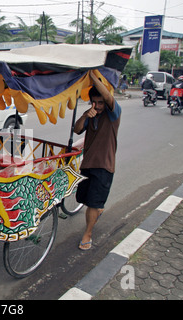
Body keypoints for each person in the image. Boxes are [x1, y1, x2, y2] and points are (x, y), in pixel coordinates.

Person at [73, 71, 122, 250]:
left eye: (101, 103)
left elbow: (108, 96)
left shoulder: (113, 114)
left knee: (93, 204)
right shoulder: (92, 114)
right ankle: (97, 210)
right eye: (94, 102)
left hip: (104, 166)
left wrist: (92, 74)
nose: (98, 106)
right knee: (84, 198)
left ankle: (88, 234)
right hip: (88, 164)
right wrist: (86, 115)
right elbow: (77, 129)